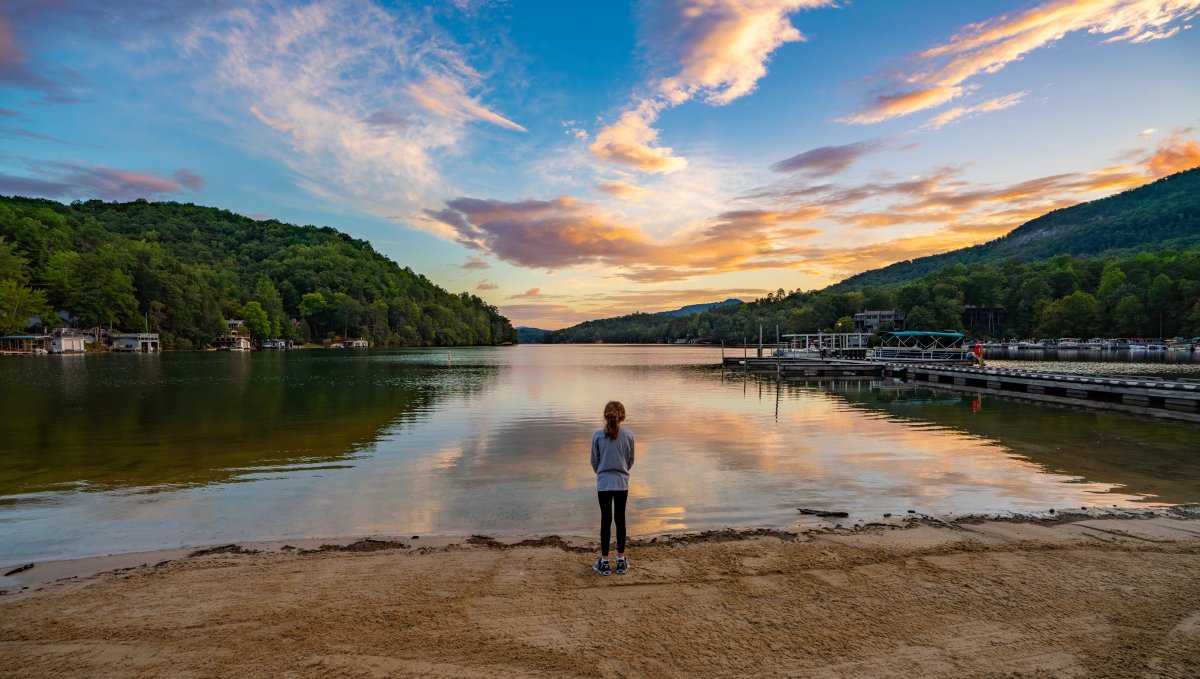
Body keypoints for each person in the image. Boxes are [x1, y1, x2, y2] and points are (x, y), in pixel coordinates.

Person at [591, 400, 634, 576]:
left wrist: (602, 473)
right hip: (621, 482)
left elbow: (594, 461)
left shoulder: (598, 436)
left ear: (605, 416)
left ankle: (605, 562)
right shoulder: (629, 435)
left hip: (604, 483)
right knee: (620, 520)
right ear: (623, 416)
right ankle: (621, 560)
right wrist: (621, 471)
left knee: (605, 521)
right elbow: (630, 460)